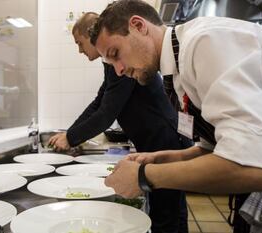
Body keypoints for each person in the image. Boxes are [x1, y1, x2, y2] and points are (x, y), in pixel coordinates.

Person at [89, 1, 262, 233]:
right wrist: (162, 158)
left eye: (115, 54)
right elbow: (215, 148)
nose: (118, 70)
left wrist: (144, 176)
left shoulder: (206, 41)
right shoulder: (177, 68)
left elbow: (253, 167)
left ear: (139, 26)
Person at [48, 12, 192, 233]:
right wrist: (70, 133)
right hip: (156, 138)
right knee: (167, 208)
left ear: (92, 35)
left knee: (167, 213)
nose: (79, 50)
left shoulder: (122, 61)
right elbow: (99, 102)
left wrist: (70, 137)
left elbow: (107, 113)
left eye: (80, 43)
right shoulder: (112, 66)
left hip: (163, 138)